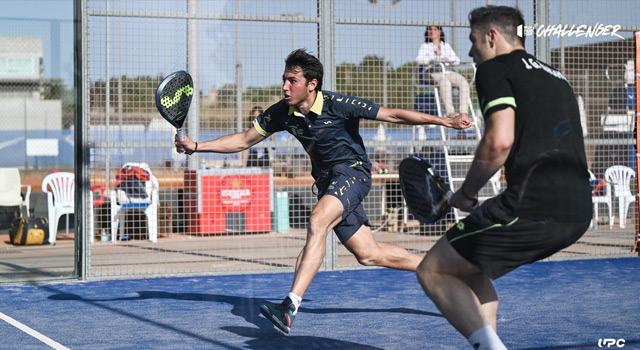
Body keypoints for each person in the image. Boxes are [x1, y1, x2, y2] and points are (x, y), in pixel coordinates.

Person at [175, 49, 472, 334]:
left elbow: (392, 115)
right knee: (369, 254)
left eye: (293, 81)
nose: (285, 86)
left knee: (317, 221)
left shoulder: (337, 104)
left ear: (311, 84)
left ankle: (290, 305)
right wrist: (197, 146)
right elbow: (243, 140)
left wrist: (445, 121)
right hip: (329, 182)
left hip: (353, 172)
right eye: (284, 79)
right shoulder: (283, 112)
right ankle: (445, 269)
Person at [415, 6, 592, 350]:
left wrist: (466, 193)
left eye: (472, 41)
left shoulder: (495, 67)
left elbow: (500, 140)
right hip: (579, 210)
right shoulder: (556, 76)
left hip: (534, 205)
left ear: (491, 36)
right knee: (471, 267)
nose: (469, 51)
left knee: (432, 270)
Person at [416, 25, 471, 117]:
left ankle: (463, 112)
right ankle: (450, 112)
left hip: (447, 71)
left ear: (439, 32)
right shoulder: (425, 46)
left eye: (434, 29)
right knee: (444, 81)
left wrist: (447, 59)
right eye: (430, 30)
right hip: (432, 72)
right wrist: (434, 58)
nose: (432, 32)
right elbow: (419, 60)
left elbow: (456, 60)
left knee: (463, 82)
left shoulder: (446, 46)